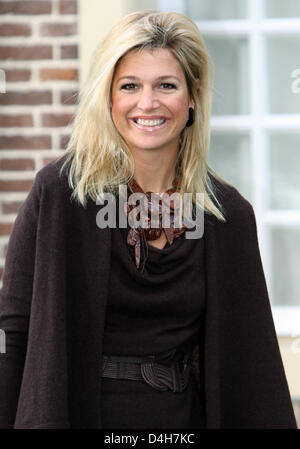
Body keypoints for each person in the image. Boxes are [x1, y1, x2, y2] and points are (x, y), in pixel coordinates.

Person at [0, 10, 297, 429]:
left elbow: (254, 360)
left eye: (166, 86)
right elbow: (15, 333)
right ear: (109, 97)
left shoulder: (227, 215)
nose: (147, 102)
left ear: (192, 97)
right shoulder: (60, 195)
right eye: (130, 86)